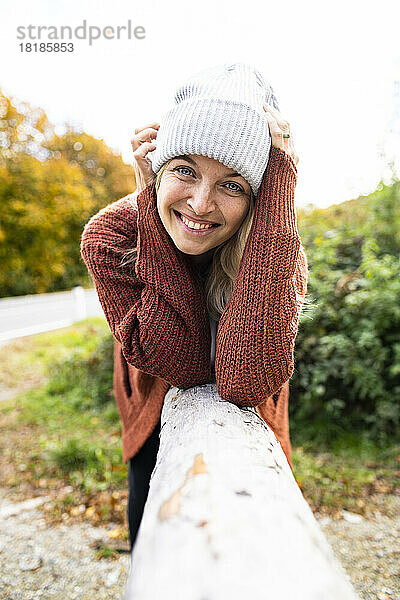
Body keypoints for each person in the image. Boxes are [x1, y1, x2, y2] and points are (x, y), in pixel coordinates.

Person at [80, 63, 309, 553]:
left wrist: (280, 185)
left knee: (256, 547)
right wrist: (151, 208)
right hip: (152, 407)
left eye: (233, 184)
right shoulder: (111, 236)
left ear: (261, 195)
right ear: (157, 165)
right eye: (184, 169)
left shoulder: (274, 243)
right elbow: (179, 361)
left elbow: (248, 379)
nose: (201, 204)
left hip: (254, 423)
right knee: (154, 540)